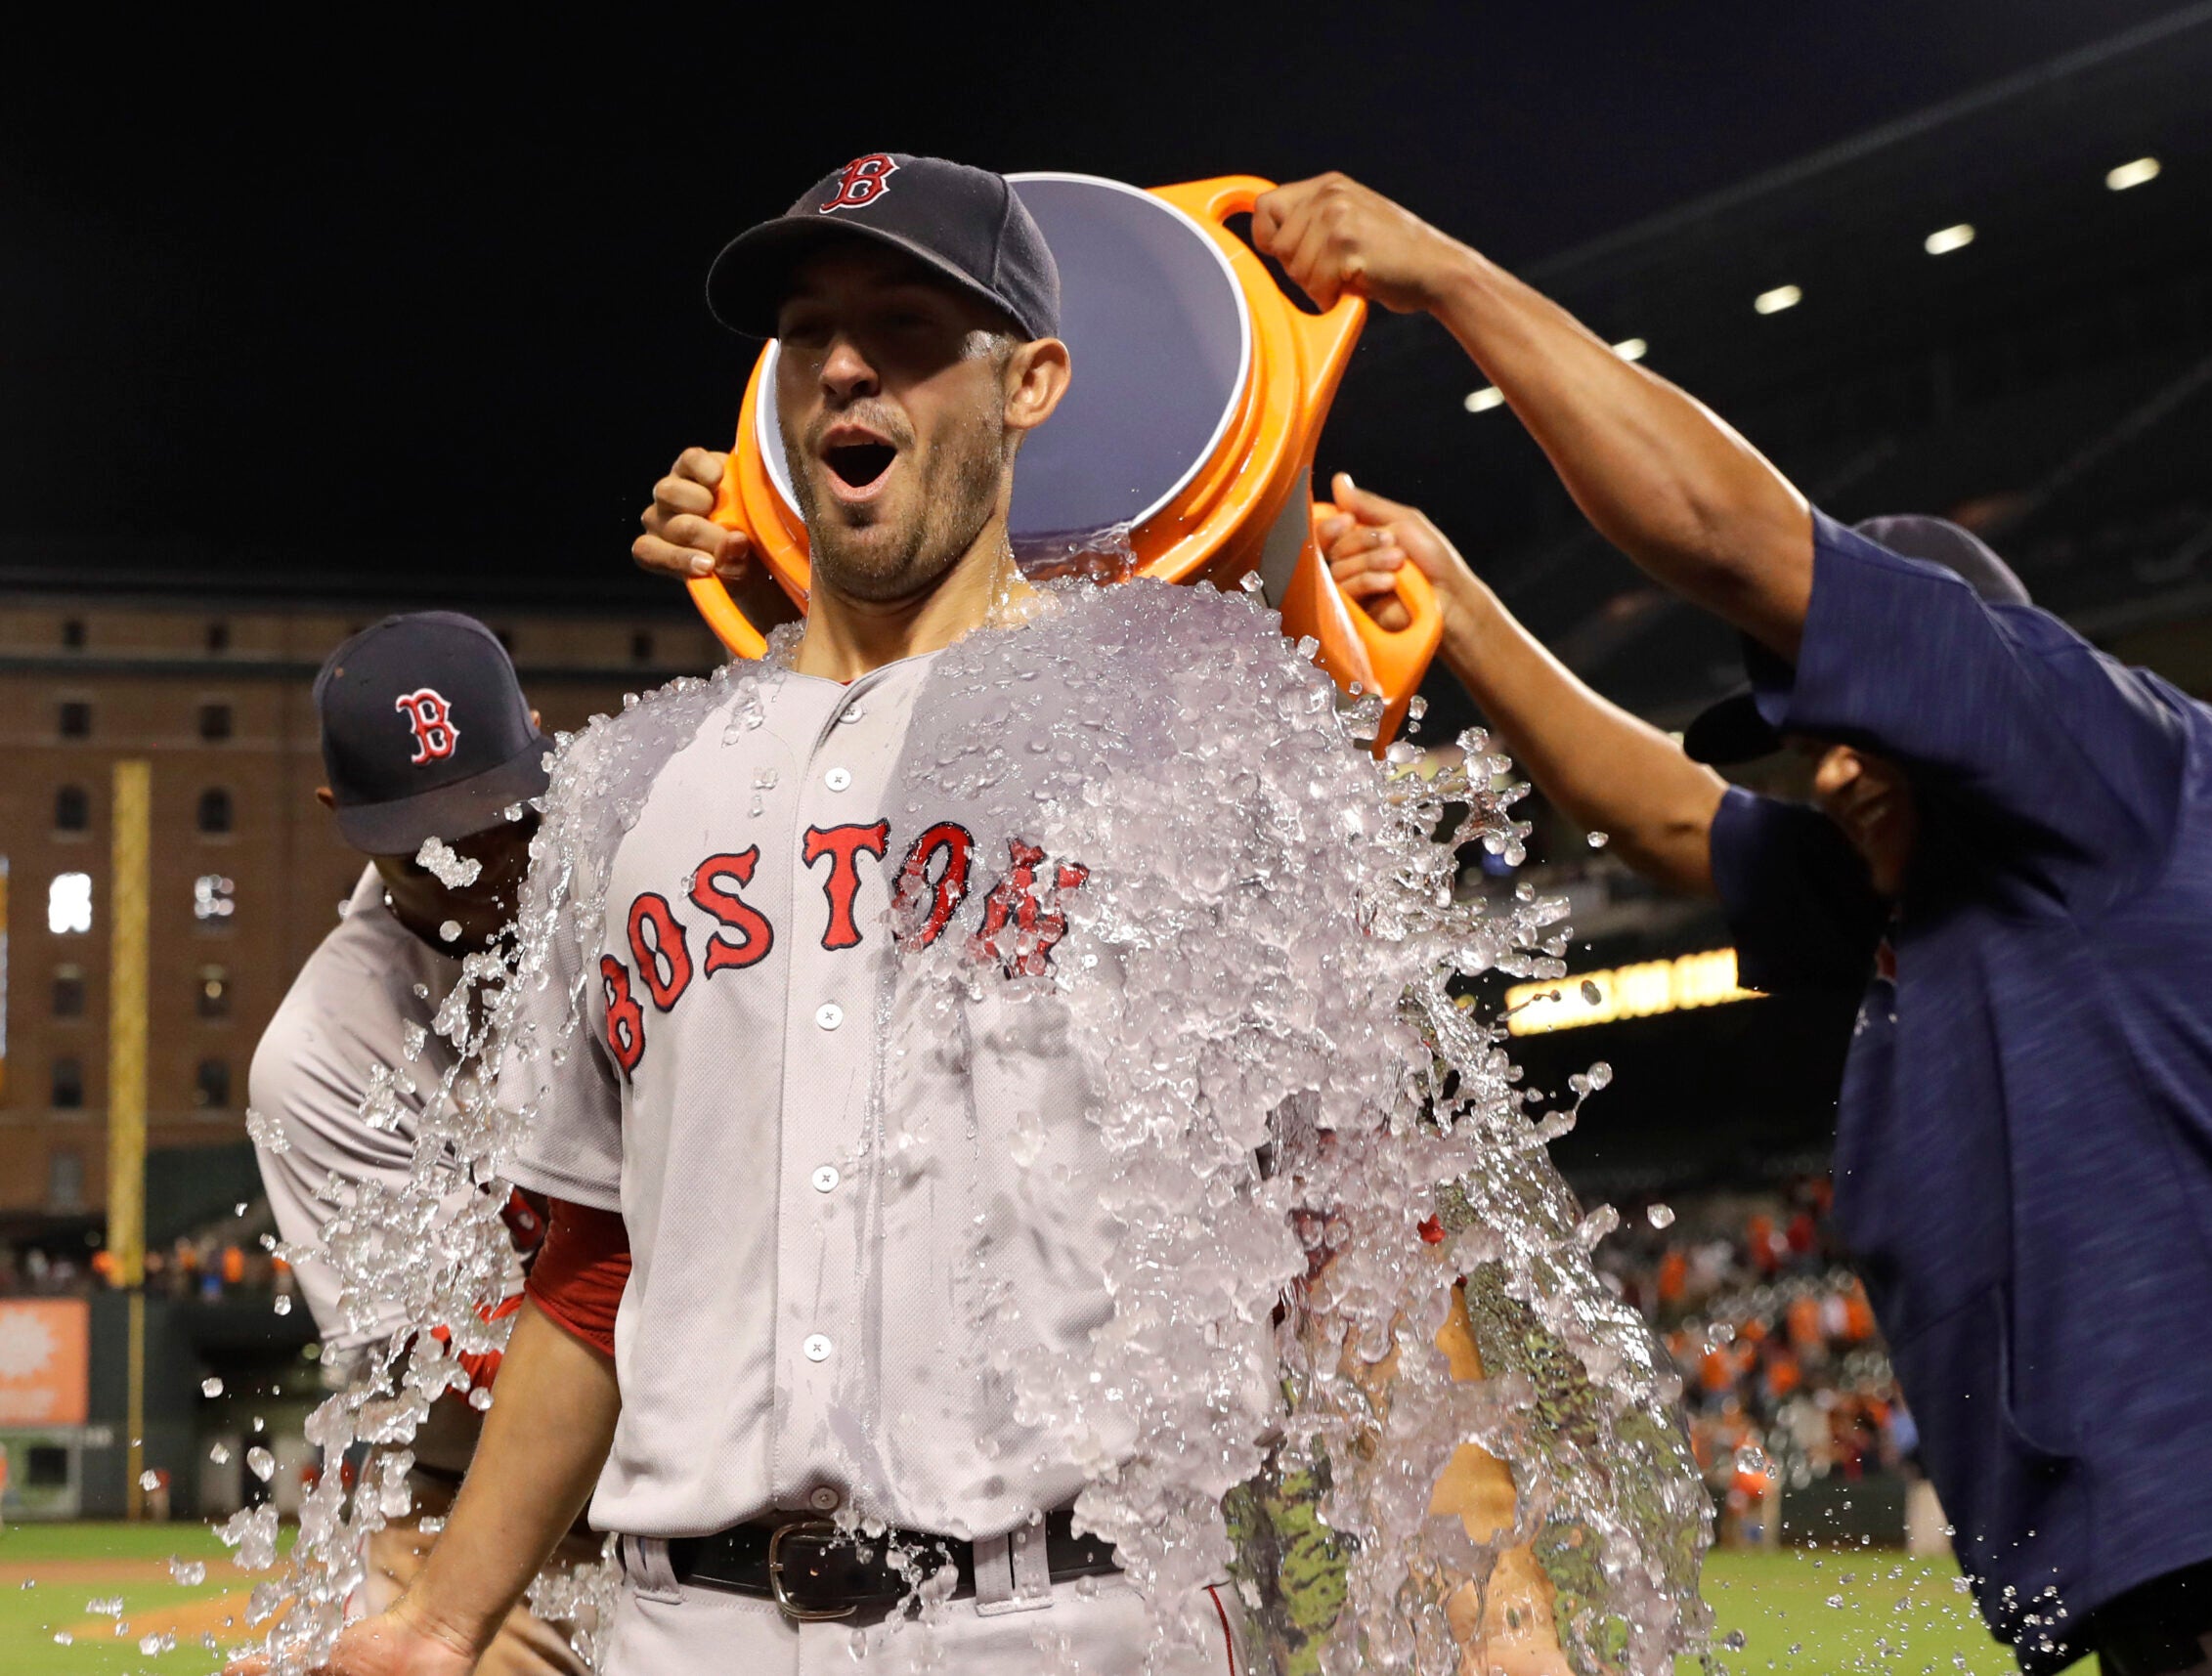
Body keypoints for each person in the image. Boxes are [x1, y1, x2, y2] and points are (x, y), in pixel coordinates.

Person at [271, 154, 1582, 1676]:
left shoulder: (1186, 738)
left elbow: (1355, 1227)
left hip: (1072, 1619)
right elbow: (593, 1261)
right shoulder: (641, 787)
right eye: (809, 327)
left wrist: (1505, 1618)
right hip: (688, 1629)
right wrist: (444, 1615)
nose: (843, 358)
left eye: (903, 324)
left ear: (1031, 381)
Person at [1259, 172, 2212, 1675]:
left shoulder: (2115, 768)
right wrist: (1458, 606)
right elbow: (1660, 817)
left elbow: (1726, 533)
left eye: (1857, 711)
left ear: (1961, 670)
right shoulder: (1921, 899)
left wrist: (1444, 276)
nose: (1828, 761)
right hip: (2192, 1634)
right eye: (1805, 734)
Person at [249, 612, 595, 1674]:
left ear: (542, 745)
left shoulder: (644, 868)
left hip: (712, 1483)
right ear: (338, 816)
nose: (475, 861)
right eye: (425, 841)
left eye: (499, 815)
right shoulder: (323, 1049)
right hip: (474, 1505)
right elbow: (447, 1372)